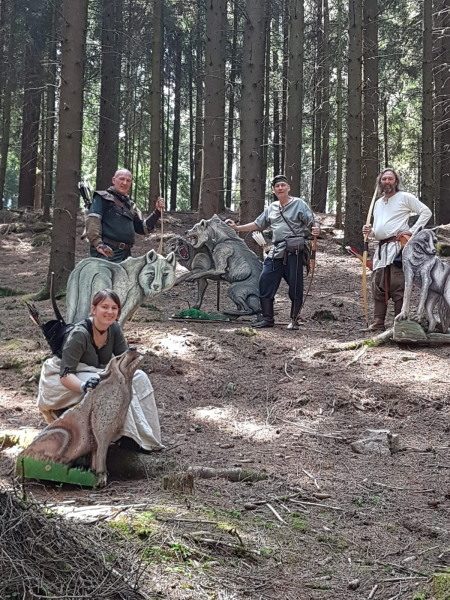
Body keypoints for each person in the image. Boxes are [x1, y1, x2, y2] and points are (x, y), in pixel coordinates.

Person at [37, 289, 163, 452]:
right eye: (104, 307)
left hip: (95, 371)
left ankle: (149, 437)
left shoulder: (114, 329)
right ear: (94, 309)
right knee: (112, 384)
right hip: (66, 378)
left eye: (114, 308)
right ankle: (128, 436)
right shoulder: (79, 334)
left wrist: (132, 359)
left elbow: (123, 361)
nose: (109, 312)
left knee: (139, 377)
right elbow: (65, 374)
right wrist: (84, 386)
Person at [226, 175, 321, 330]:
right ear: (273, 190)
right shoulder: (272, 207)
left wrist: (317, 229)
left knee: (295, 286)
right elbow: (258, 224)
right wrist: (237, 228)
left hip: (295, 252)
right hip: (276, 251)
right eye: (277, 186)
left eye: (283, 185)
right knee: (265, 282)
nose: (280, 188)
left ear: (288, 187)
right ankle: (267, 318)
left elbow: (313, 222)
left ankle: (294, 319)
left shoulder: (299, 204)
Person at [362, 167, 432, 331]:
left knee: (398, 284)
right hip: (382, 249)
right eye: (384, 179)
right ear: (380, 182)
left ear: (396, 181)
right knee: (378, 284)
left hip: (398, 248)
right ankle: (378, 322)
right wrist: (370, 232)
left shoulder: (404, 197)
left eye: (390, 179)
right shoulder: (378, 203)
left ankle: (400, 324)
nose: (387, 181)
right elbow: (379, 229)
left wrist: (412, 231)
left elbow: (426, 212)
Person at [84, 168, 165, 262]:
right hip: (107, 253)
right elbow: (93, 221)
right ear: (114, 180)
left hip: (126, 256)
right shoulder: (102, 197)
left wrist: (157, 212)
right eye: (121, 179)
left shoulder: (130, 205)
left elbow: (143, 228)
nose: (125, 183)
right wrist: (98, 244)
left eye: (128, 180)